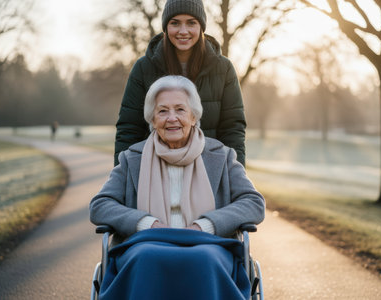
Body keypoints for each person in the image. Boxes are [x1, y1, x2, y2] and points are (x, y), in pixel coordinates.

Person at [90, 76, 264, 299]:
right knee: (146, 257)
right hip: (146, 243)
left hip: (208, 244)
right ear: (152, 119)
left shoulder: (221, 155)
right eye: (162, 111)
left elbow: (253, 202)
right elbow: (100, 205)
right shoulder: (133, 158)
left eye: (180, 109)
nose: (171, 118)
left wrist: (205, 225)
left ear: (193, 116)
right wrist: (147, 223)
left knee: (204, 259)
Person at [114, 0, 246, 167]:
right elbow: (129, 128)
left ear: (201, 26)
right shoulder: (143, 68)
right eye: (175, 23)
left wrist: (235, 176)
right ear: (165, 27)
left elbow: (233, 128)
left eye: (191, 23)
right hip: (156, 170)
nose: (183, 31)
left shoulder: (224, 68)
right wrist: (123, 177)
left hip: (208, 169)